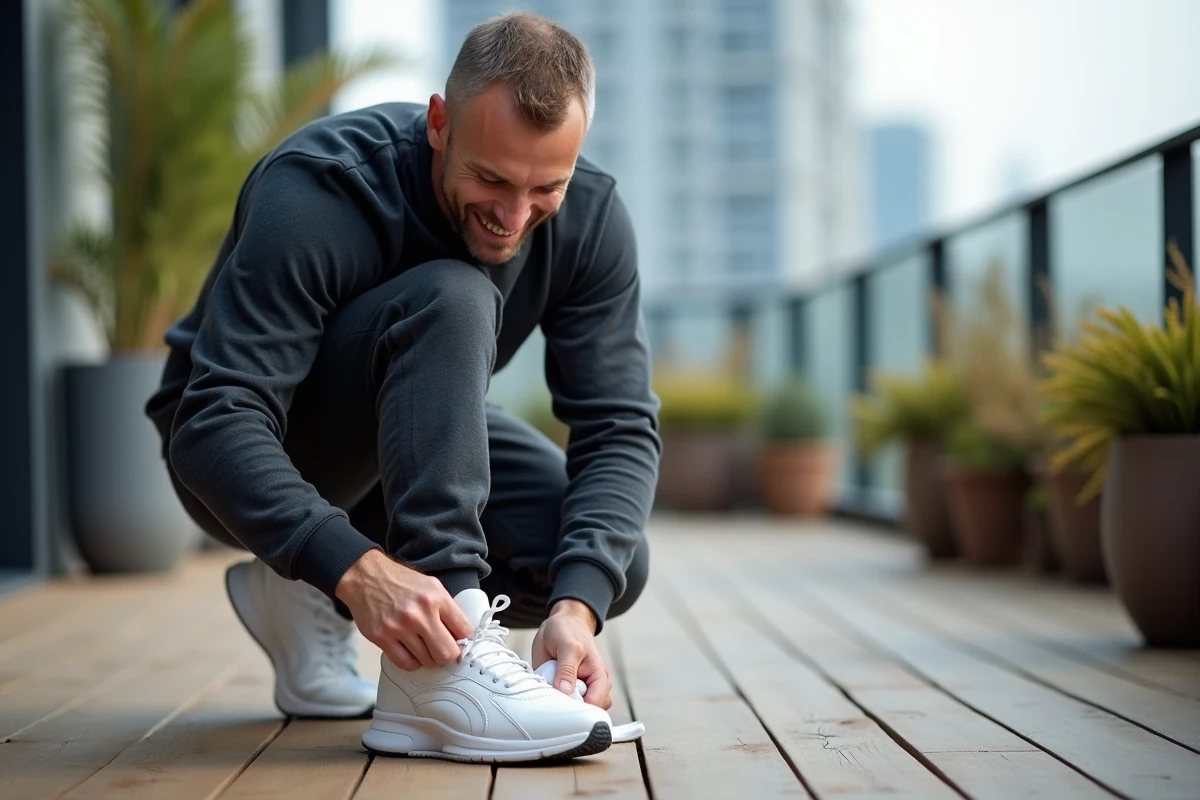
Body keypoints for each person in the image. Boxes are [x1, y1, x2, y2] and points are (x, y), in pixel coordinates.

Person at [145, 12, 659, 762]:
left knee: (606, 561)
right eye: (491, 178)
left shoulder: (591, 219)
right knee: (456, 294)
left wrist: (577, 612)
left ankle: (303, 585)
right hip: (255, 446)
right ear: (440, 123)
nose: (513, 217)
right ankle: (428, 677)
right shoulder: (321, 187)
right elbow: (215, 420)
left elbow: (617, 426)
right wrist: (356, 571)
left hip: (411, 442)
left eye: (544, 187)